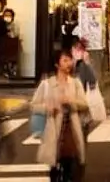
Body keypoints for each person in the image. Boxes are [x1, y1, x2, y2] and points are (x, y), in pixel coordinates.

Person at [31, 49, 88, 182]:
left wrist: (71, 101)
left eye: (70, 60)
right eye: (65, 60)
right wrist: (48, 108)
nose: (69, 63)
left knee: (70, 166)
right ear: (57, 64)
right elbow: (34, 105)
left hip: (71, 131)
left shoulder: (75, 83)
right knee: (54, 168)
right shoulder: (47, 84)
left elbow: (84, 104)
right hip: (54, 130)